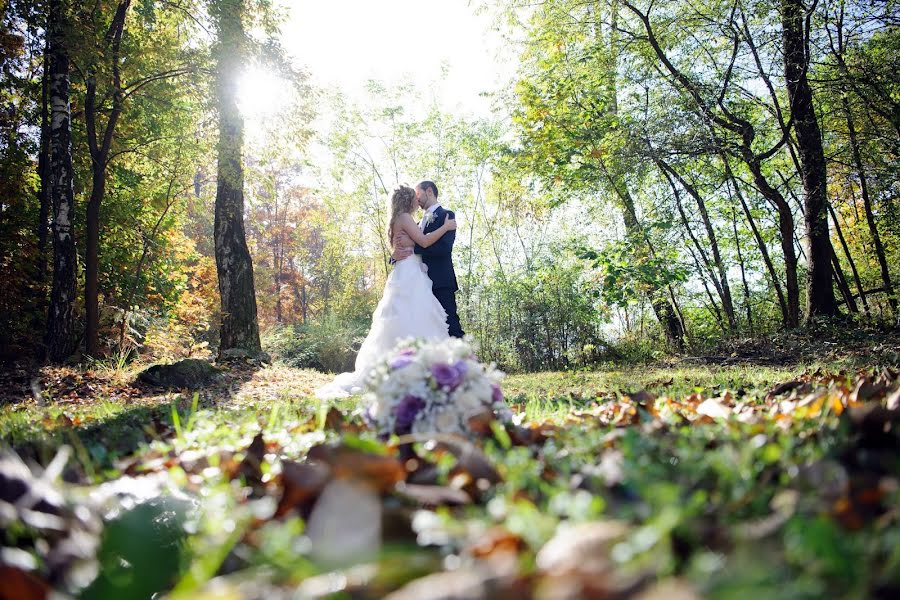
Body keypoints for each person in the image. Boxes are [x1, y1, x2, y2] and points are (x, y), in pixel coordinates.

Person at [315, 185, 456, 399]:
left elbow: (405, 246)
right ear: (408, 200)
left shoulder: (397, 220)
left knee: (402, 319)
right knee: (414, 317)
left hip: (407, 273)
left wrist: (403, 249)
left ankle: (410, 368)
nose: (417, 202)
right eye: (414, 198)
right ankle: (419, 371)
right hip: (410, 276)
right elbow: (425, 241)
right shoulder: (407, 217)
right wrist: (446, 228)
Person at [391, 180, 464, 338]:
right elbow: (401, 247)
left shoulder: (447, 215)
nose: (416, 199)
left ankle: (465, 362)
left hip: (440, 281)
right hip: (417, 283)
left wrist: (413, 246)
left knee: (450, 326)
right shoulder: (414, 222)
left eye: (418, 194)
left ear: (429, 191)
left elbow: (444, 249)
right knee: (426, 332)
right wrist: (393, 257)